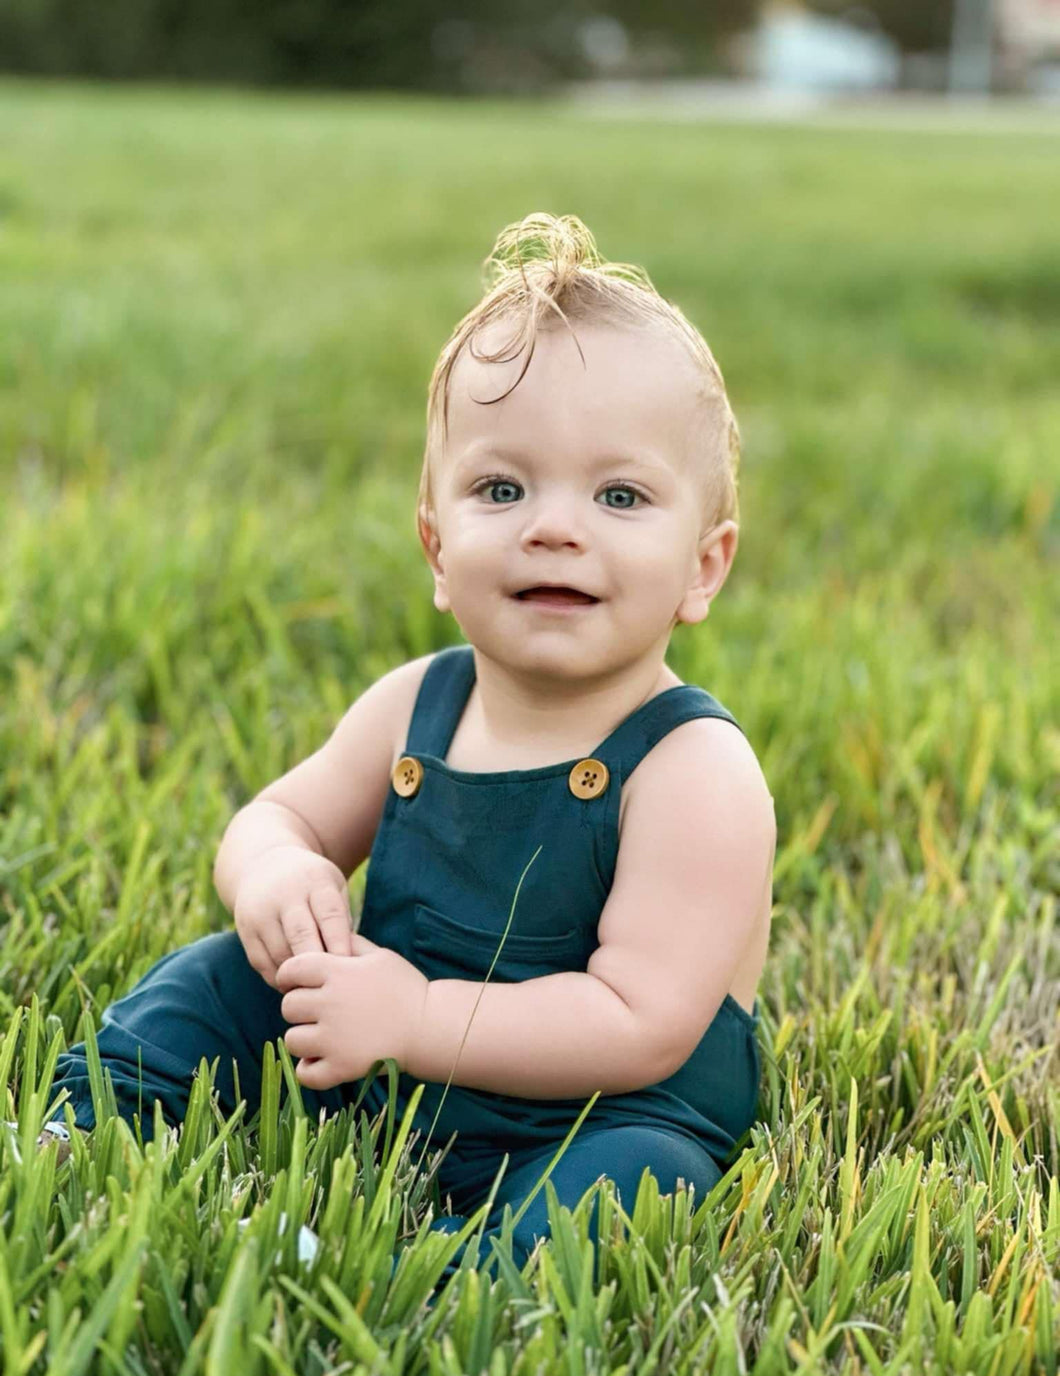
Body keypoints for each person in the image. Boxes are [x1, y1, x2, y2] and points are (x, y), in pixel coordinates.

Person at [41, 211, 776, 1288]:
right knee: (216, 978)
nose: (554, 527)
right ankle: (90, 1122)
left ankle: (467, 1280)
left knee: (629, 1185)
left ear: (703, 567)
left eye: (618, 496)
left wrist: (417, 1017)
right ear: (437, 547)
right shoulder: (414, 705)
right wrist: (279, 872)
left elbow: (640, 1026)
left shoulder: (691, 769)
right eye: (501, 489)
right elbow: (275, 819)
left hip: (602, 1105)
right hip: (392, 1041)